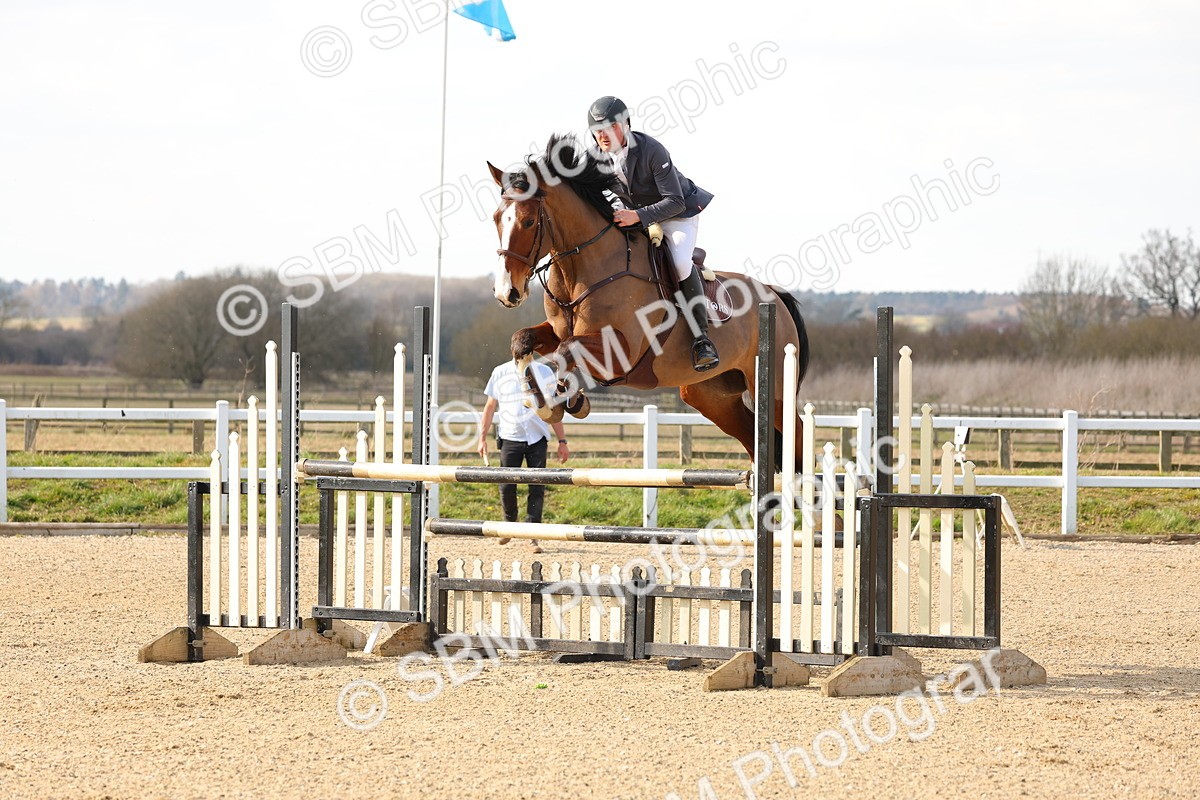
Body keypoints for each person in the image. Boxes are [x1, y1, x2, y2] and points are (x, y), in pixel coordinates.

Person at [586, 95, 720, 372]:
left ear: (625, 126)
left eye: (609, 129)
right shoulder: (597, 157)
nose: (603, 136)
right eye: (598, 132)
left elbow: (675, 201)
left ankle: (701, 339)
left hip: (677, 214)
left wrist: (637, 216)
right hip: (636, 216)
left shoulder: (651, 150)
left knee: (680, 261)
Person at [476, 358, 570, 553]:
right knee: (506, 485)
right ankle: (509, 524)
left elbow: (553, 409)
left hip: (537, 438)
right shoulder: (500, 372)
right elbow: (490, 406)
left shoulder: (544, 372)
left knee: (537, 487)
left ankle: (532, 536)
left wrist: (562, 441)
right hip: (510, 437)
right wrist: (482, 438)